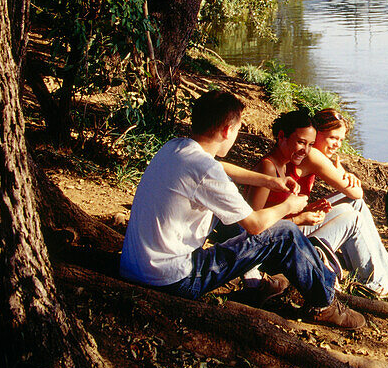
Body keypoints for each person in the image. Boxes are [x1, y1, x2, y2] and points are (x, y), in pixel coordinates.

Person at [119, 90, 365, 329]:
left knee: (258, 227)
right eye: (237, 130)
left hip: (135, 268)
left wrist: (269, 182)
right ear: (227, 131)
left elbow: (220, 167)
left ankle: (284, 280)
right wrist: (289, 206)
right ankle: (324, 304)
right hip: (174, 280)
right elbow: (255, 224)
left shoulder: (176, 147)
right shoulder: (205, 170)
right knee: (285, 231)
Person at [249, 108, 388, 298]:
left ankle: (387, 276)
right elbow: (252, 227)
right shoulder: (301, 158)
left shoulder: (287, 160)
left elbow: (277, 206)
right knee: (353, 214)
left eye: (341, 140)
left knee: (356, 206)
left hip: (284, 232)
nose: (336, 144)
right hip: (274, 246)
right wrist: (300, 217)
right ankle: (378, 281)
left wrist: (305, 210)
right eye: (332, 138)